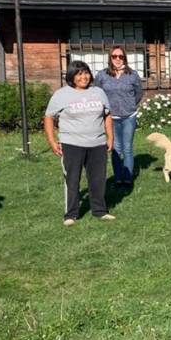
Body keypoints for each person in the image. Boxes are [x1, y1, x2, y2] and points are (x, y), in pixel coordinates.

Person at [43, 61, 116, 226]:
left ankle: (100, 211)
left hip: (97, 143)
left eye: (86, 73)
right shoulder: (61, 95)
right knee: (72, 179)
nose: (84, 77)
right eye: (79, 74)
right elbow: (48, 117)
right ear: (71, 76)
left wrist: (110, 137)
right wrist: (52, 141)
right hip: (72, 144)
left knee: (98, 179)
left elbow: (107, 115)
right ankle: (71, 214)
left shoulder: (98, 92)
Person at [94, 46, 143, 188]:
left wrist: (131, 104)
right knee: (115, 148)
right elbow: (96, 92)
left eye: (120, 56)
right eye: (114, 56)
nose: (117, 59)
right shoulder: (102, 75)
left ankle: (127, 178)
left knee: (127, 147)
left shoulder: (132, 74)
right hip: (111, 117)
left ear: (124, 58)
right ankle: (117, 177)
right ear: (110, 58)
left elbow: (139, 92)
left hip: (129, 116)